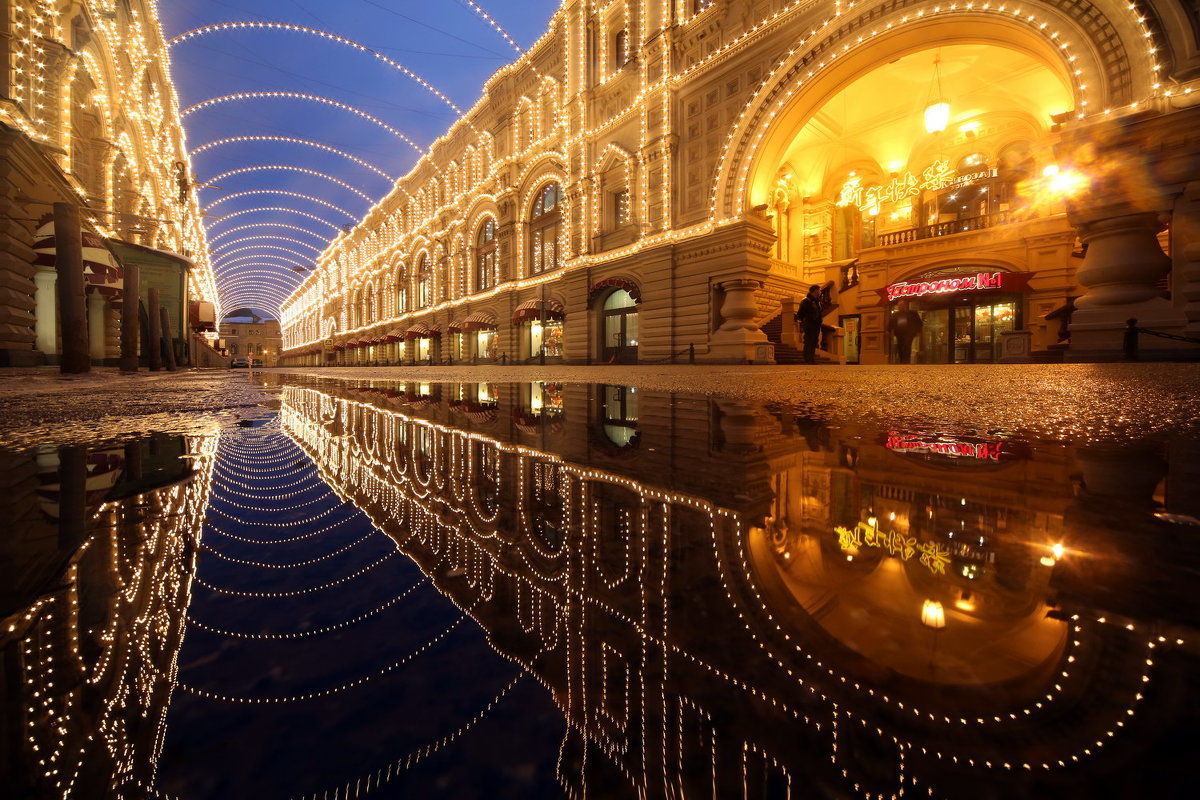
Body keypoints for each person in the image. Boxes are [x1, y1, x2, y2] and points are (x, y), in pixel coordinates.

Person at [795, 284, 824, 364]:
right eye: (819, 290)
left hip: (816, 325)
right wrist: (804, 322)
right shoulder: (805, 301)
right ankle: (807, 359)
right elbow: (800, 314)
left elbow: (819, 313)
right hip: (809, 324)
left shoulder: (817, 301)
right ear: (815, 291)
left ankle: (811, 358)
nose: (820, 292)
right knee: (808, 341)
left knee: (814, 341)